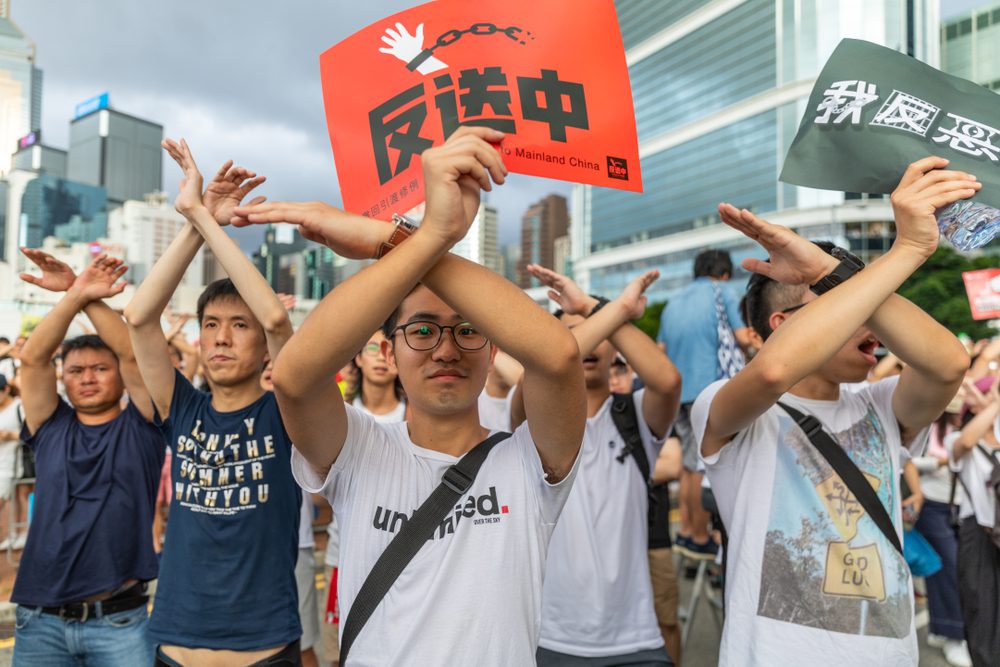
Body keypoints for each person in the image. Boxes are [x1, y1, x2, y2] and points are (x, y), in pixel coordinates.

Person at [241, 126, 585, 665]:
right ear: (390, 351)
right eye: (422, 331)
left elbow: (558, 355)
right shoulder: (359, 450)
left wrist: (393, 239)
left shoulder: (529, 460)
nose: (446, 350)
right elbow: (295, 376)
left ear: (494, 349)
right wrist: (430, 235)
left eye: (468, 330)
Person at [692, 156, 974, 666]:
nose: (874, 323)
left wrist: (829, 272)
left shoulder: (880, 405)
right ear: (781, 324)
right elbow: (775, 372)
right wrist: (906, 249)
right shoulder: (727, 405)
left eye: (872, 304)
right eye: (852, 306)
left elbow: (950, 362)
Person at [124, 140, 303, 665]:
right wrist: (195, 223)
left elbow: (276, 320)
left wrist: (209, 218)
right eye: (210, 326)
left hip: (263, 651)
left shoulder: (286, 410)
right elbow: (139, 317)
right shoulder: (183, 410)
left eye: (237, 326)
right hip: (174, 650)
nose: (221, 338)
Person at [513, 264, 681, 666]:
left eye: (595, 332)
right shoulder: (533, 416)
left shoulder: (635, 414)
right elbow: (545, 367)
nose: (582, 346)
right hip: (552, 636)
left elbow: (668, 382)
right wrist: (601, 316)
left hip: (636, 638)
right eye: (567, 336)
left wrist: (595, 307)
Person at [12, 251, 165, 666]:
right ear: (64, 377)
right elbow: (32, 359)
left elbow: (134, 355)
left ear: (119, 375)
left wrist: (88, 298)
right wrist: (73, 294)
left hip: (119, 622)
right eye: (76, 370)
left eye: (100, 368)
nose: (88, 378)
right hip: (39, 622)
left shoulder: (144, 426)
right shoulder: (51, 426)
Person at [659, 249, 749, 559]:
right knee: (702, 466)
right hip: (708, 390)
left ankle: (685, 531)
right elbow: (744, 337)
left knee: (688, 466)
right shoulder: (722, 291)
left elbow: (661, 348)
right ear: (724, 273)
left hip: (676, 392)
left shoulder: (673, 301)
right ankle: (700, 535)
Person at [946, 378, 1000, 667]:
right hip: (977, 533)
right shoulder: (957, 438)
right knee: (981, 608)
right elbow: (967, 441)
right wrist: (995, 402)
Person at [0, 375, 21, 549]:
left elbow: (36, 434)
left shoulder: (19, 407)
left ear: (6, 390)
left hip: (12, 466)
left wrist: (11, 435)